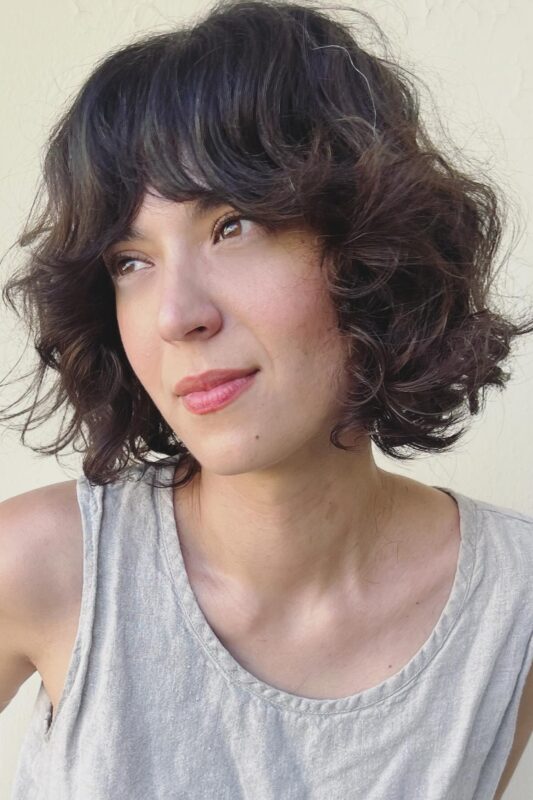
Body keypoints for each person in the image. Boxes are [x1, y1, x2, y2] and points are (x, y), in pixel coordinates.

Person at [0, 1, 532, 798]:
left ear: (370, 249)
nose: (178, 315)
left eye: (233, 225)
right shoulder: (41, 567)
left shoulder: (514, 607)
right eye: (128, 261)